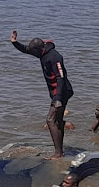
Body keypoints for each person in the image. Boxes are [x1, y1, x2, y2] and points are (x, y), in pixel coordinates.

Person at [10, 29, 74, 159]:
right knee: (58, 121)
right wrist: (14, 42)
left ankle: (57, 153)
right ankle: (60, 152)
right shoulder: (41, 52)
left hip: (62, 92)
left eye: (34, 52)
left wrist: (57, 99)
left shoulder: (54, 57)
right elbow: (26, 49)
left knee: (50, 120)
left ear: (40, 50)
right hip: (58, 93)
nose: (32, 54)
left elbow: (60, 77)